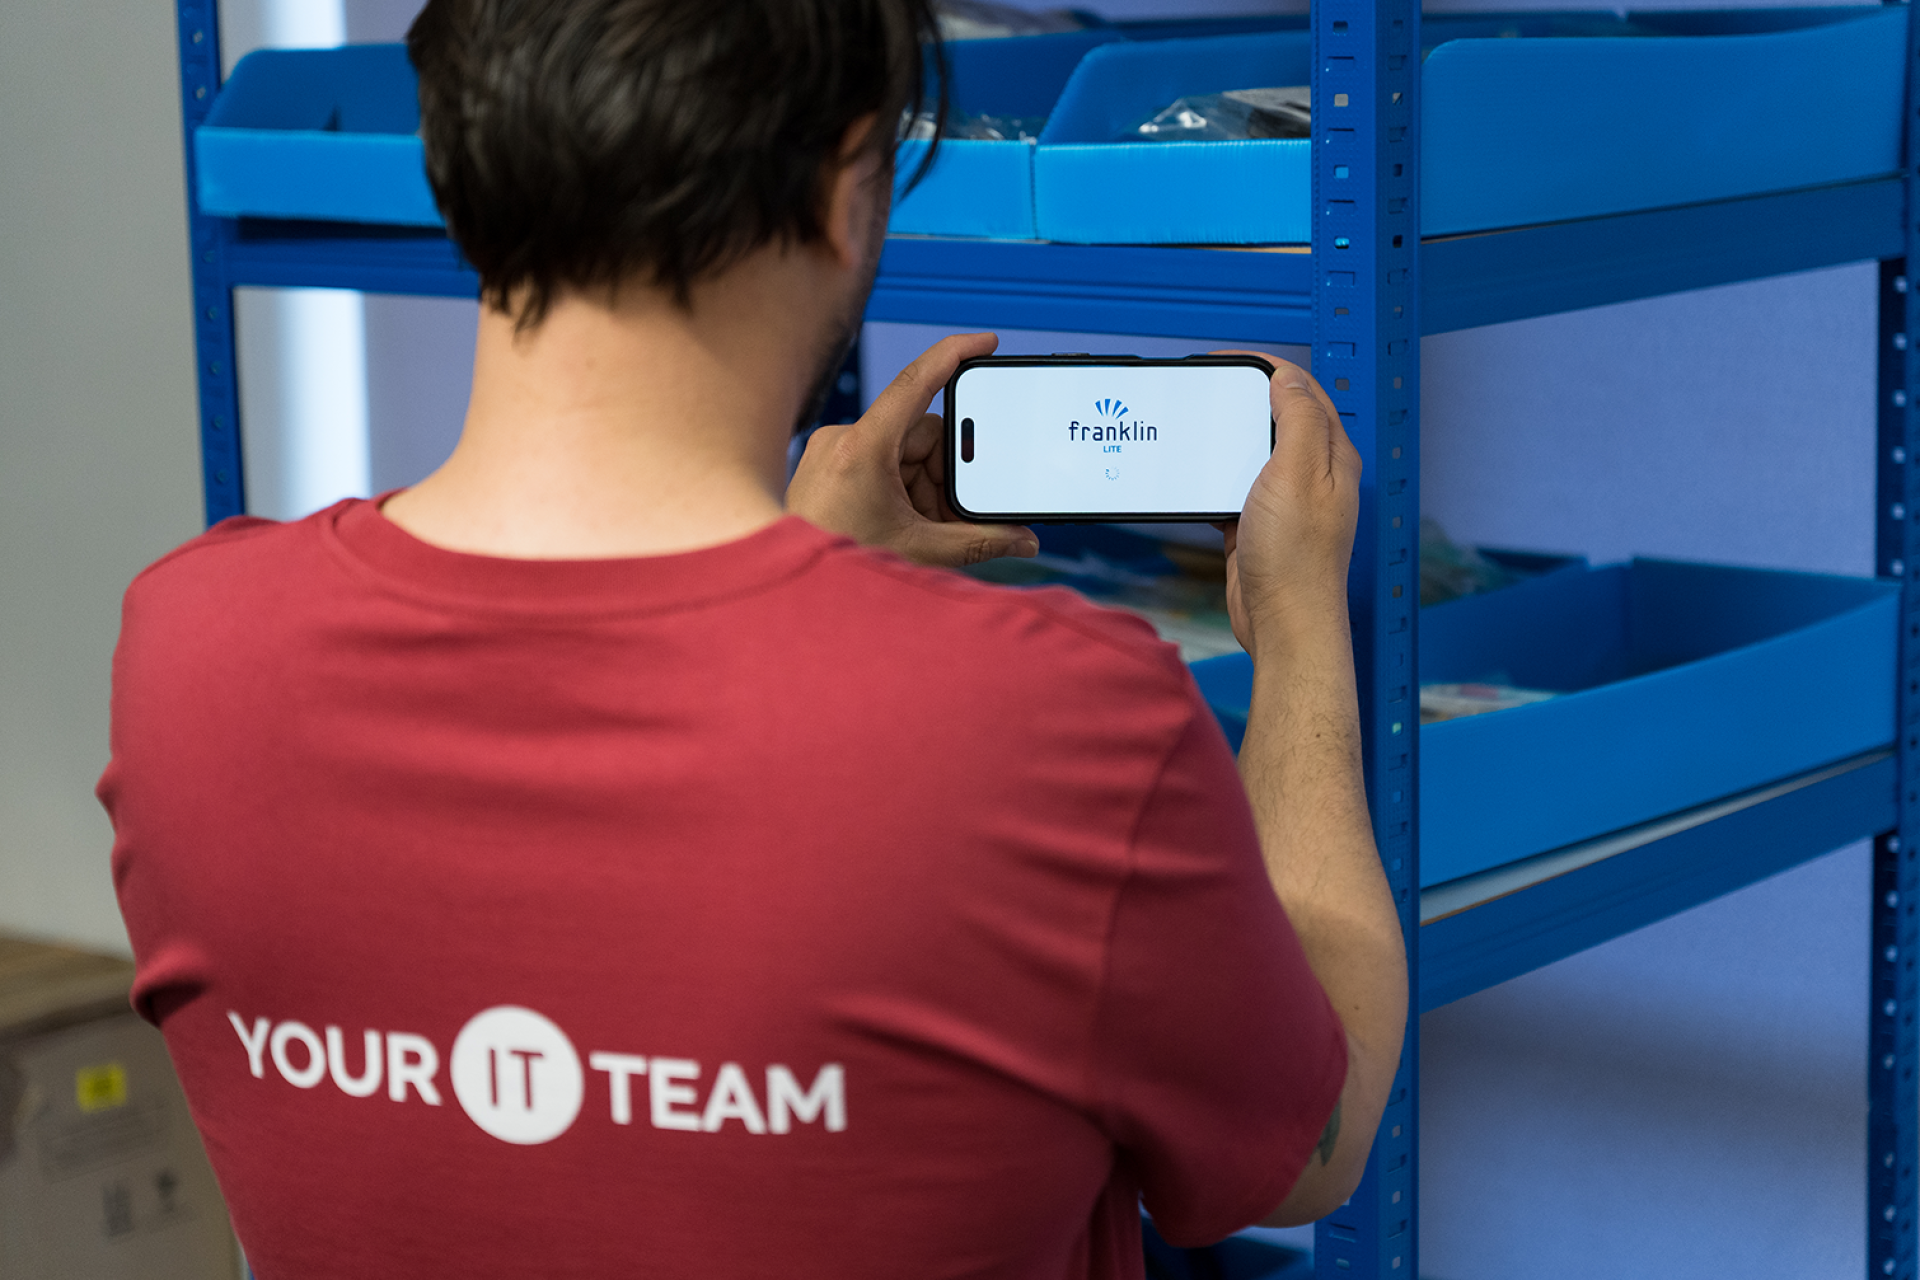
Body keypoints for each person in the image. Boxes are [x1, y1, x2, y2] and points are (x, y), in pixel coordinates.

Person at [99, 1, 1407, 1276]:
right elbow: (1311, 1147)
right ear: (846, 187)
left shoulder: (190, 653)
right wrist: (1300, 633)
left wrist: (806, 571)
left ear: (454, 163)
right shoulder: (1062, 725)